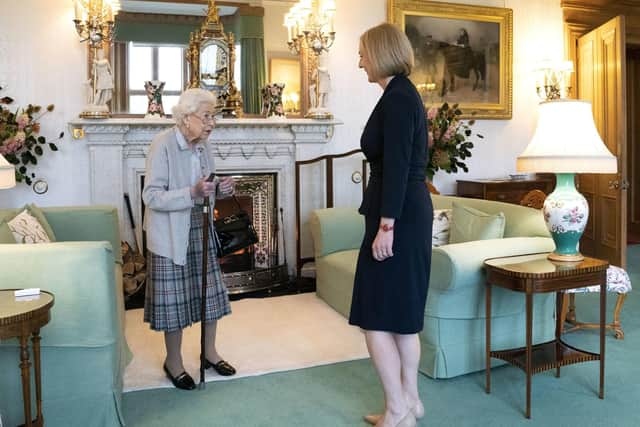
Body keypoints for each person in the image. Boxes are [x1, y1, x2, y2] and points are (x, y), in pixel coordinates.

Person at [350, 23, 432, 427]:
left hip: (397, 215)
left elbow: (397, 165)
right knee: (399, 314)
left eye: (363, 52)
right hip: (404, 211)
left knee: (377, 316)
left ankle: (398, 409)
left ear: (380, 53)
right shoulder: (400, 94)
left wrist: (386, 226)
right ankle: (408, 402)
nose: (359, 60)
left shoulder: (399, 97)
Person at [142, 88, 237, 390]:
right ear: (186, 118)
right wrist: (191, 193)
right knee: (175, 302)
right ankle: (174, 362)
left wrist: (219, 189)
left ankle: (209, 353)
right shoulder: (163, 144)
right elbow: (151, 196)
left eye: (214, 116)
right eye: (207, 116)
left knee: (210, 296)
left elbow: (204, 184)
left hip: (200, 227)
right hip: (170, 234)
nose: (212, 123)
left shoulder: (203, 146)